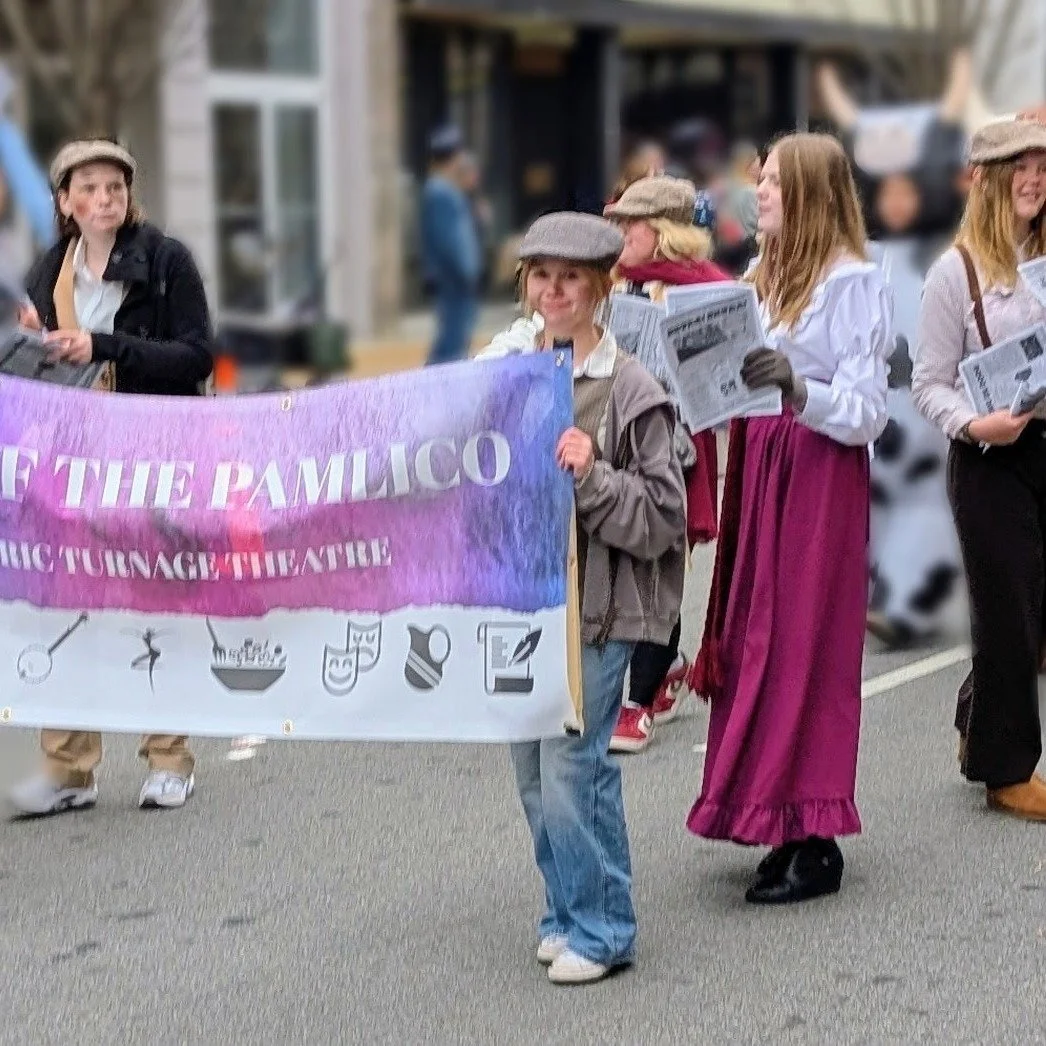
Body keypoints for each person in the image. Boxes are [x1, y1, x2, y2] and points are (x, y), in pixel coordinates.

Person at [479, 212, 686, 984]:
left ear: (602, 288)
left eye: (571, 278)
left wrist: (593, 474)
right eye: (541, 276)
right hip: (523, 606)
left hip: (596, 612)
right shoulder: (512, 371)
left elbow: (664, 516)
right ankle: (564, 911)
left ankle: (604, 927)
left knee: (575, 767)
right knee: (532, 771)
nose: (554, 291)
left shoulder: (631, 388)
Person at [687, 133, 892, 903]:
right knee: (756, 640)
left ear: (808, 190)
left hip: (816, 473)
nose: (759, 193)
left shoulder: (853, 283)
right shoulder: (761, 277)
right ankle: (774, 817)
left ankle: (816, 836)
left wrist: (800, 390)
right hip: (762, 461)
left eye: (772, 182)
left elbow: (869, 412)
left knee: (805, 645)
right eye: (760, 180)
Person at [8, 138, 213, 817]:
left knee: (157, 603)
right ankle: (69, 769)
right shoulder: (50, 272)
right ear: (64, 202)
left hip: (156, 457)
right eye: (88, 189)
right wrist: (34, 342)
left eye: (114, 188)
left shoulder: (164, 261)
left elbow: (194, 357)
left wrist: (104, 346)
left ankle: (168, 759)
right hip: (75, 464)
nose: (104, 200)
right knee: (65, 607)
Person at [911, 117, 1046, 821]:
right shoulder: (953, 272)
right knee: (1007, 615)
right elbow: (927, 383)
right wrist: (974, 424)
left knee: (1033, 614)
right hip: (991, 459)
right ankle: (1006, 770)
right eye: (1016, 169)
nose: (1032, 181)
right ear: (987, 182)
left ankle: (978, 717)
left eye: (1041, 169)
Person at [601, 174, 729, 753]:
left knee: (661, 558)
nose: (619, 233)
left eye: (630, 223)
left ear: (665, 232)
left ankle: (639, 699)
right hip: (611, 438)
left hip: (677, 444)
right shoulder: (609, 285)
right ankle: (665, 665)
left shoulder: (709, 289)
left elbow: (729, 386)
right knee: (618, 557)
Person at [421, 126, 481, 366]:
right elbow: (453, 240)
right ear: (453, 157)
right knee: (452, 340)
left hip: (452, 278)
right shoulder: (442, 192)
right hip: (455, 279)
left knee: (455, 337)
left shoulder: (442, 190)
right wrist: (469, 271)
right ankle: (436, 388)